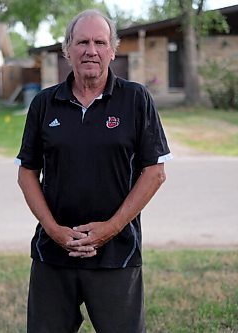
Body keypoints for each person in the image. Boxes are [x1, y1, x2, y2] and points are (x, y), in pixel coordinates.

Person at [15, 9, 172, 333]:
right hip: (53, 255)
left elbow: (155, 172)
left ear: (113, 50)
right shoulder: (44, 104)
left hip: (117, 254)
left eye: (100, 42)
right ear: (67, 49)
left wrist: (110, 229)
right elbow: (26, 173)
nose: (91, 50)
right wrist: (55, 231)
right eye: (82, 41)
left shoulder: (135, 99)